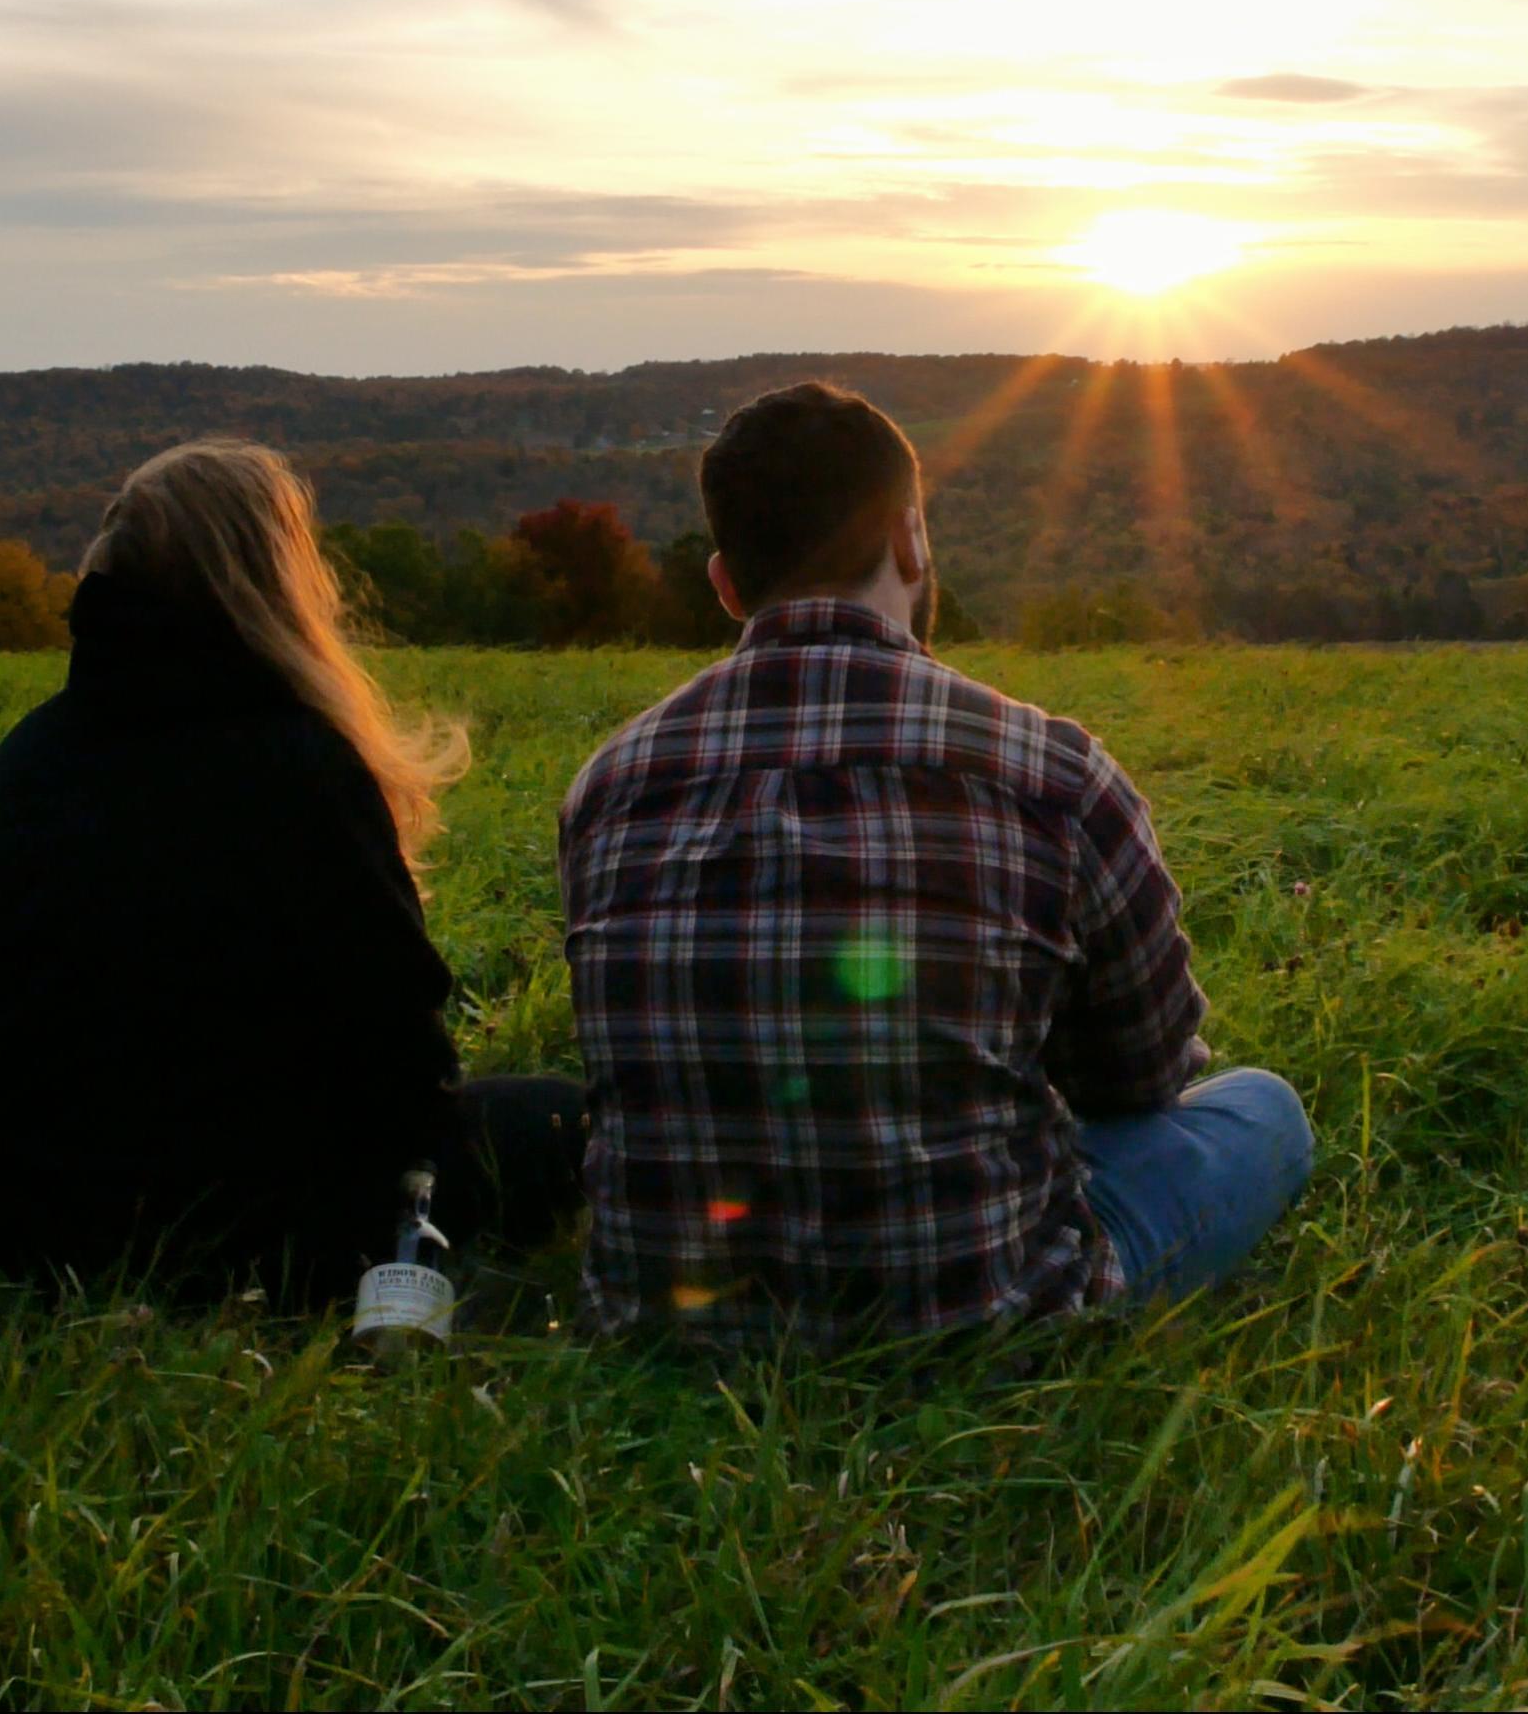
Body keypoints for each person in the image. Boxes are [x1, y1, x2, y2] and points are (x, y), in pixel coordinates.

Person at [558, 382, 1310, 1345]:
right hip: (983, 1323)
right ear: (910, 540)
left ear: (727, 585)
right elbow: (1142, 1078)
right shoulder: (1052, 772)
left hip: (665, 1327)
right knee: (1263, 1109)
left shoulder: (610, 784)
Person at [0, 438, 584, 1306]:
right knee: (567, 1119)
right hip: (250, 1236)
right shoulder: (300, 764)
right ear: (277, 580)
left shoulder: (31, 756)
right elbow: (402, 1063)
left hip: (7, 1224)